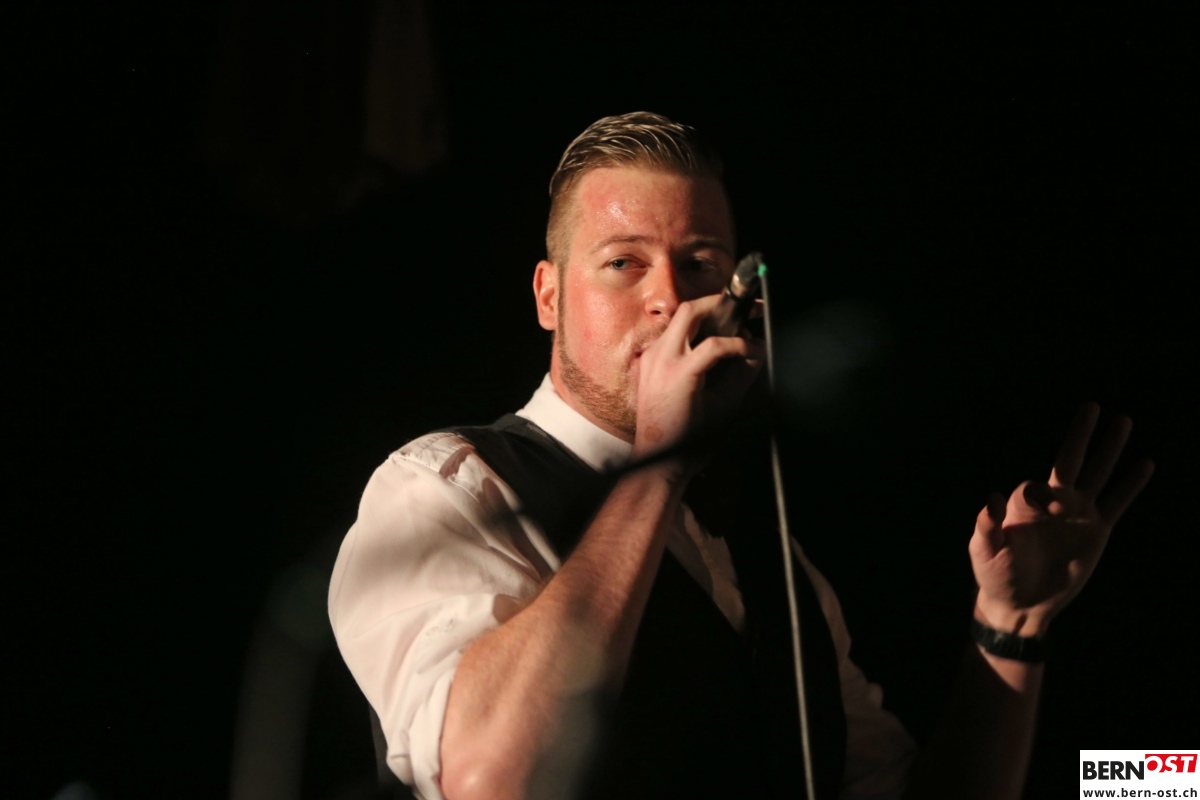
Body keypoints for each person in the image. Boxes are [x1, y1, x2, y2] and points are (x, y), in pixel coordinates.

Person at [327, 112, 1153, 800]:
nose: (668, 297)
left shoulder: (770, 561)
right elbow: (490, 779)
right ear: (548, 296)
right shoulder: (445, 488)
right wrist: (658, 462)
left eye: (700, 265)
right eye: (623, 263)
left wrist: (1010, 628)